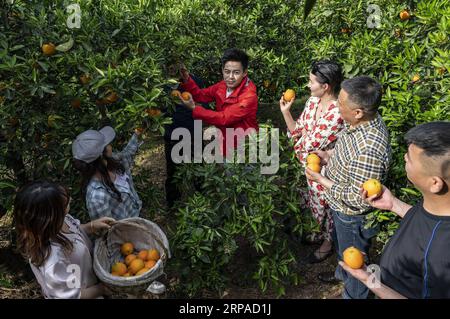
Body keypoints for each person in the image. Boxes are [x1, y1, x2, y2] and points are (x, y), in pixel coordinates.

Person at [340, 121, 450, 299]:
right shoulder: (437, 206)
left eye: (410, 159)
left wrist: (369, 280)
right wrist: (393, 204)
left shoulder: (442, 254)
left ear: (435, 183)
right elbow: (426, 225)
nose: (405, 158)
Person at [305, 76, 392, 299]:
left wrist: (320, 179)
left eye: (341, 105)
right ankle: (341, 274)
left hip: (351, 216)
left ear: (358, 112)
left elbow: (357, 197)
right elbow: (347, 150)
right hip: (338, 206)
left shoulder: (369, 148)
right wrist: (329, 155)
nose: (337, 107)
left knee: (357, 267)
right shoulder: (359, 123)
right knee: (343, 249)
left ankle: (355, 293)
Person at [279, 60, 344, 263]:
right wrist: (286, 112)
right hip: (306, 166)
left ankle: (327, 244)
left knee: (327, 207)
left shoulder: (338, 113)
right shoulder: (312, 102)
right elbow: (297, 132)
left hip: (325, 170)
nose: (308, 85)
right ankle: (316, 234)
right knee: (310, 203)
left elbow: (307, 143)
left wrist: (304, 136)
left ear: (325, 86)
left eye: (311, 81)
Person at [14, 181, 115, 299]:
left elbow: (74, 230)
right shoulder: (53, 259)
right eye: (64, 205)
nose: (70, 200)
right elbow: (72, 296)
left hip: (89, 281)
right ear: (50, 218)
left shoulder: (62, 220)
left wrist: (90, 226)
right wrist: (100, 289)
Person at [177, 48, 258, 159]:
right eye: (227, 71)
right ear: (222, 70)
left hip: (244, 149)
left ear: (245, 73)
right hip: (225, 143)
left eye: (236, 72)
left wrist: (194, 108)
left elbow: (223, 118)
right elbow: (201, 95)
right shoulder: (222, 86)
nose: (230, 77)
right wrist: (187, 79)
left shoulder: (249, 96)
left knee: (242, 174)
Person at [72, 126, 143, 220]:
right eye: (108, 144)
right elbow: (108, 229)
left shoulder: (114, 162)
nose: (110, 146)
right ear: (101, 155)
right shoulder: (97, 197)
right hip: (126, 232)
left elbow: (127, 153)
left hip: (136, 216)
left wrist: (136, 134)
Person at [163, 63, 208, 207]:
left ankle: (202, 200)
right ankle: (173, 203)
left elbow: (204, 105)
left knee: (199, 168)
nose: (174, 68)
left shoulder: (196, 81)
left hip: (194, 133)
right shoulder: (163, 85)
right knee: (173, 172)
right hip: (172, 134)